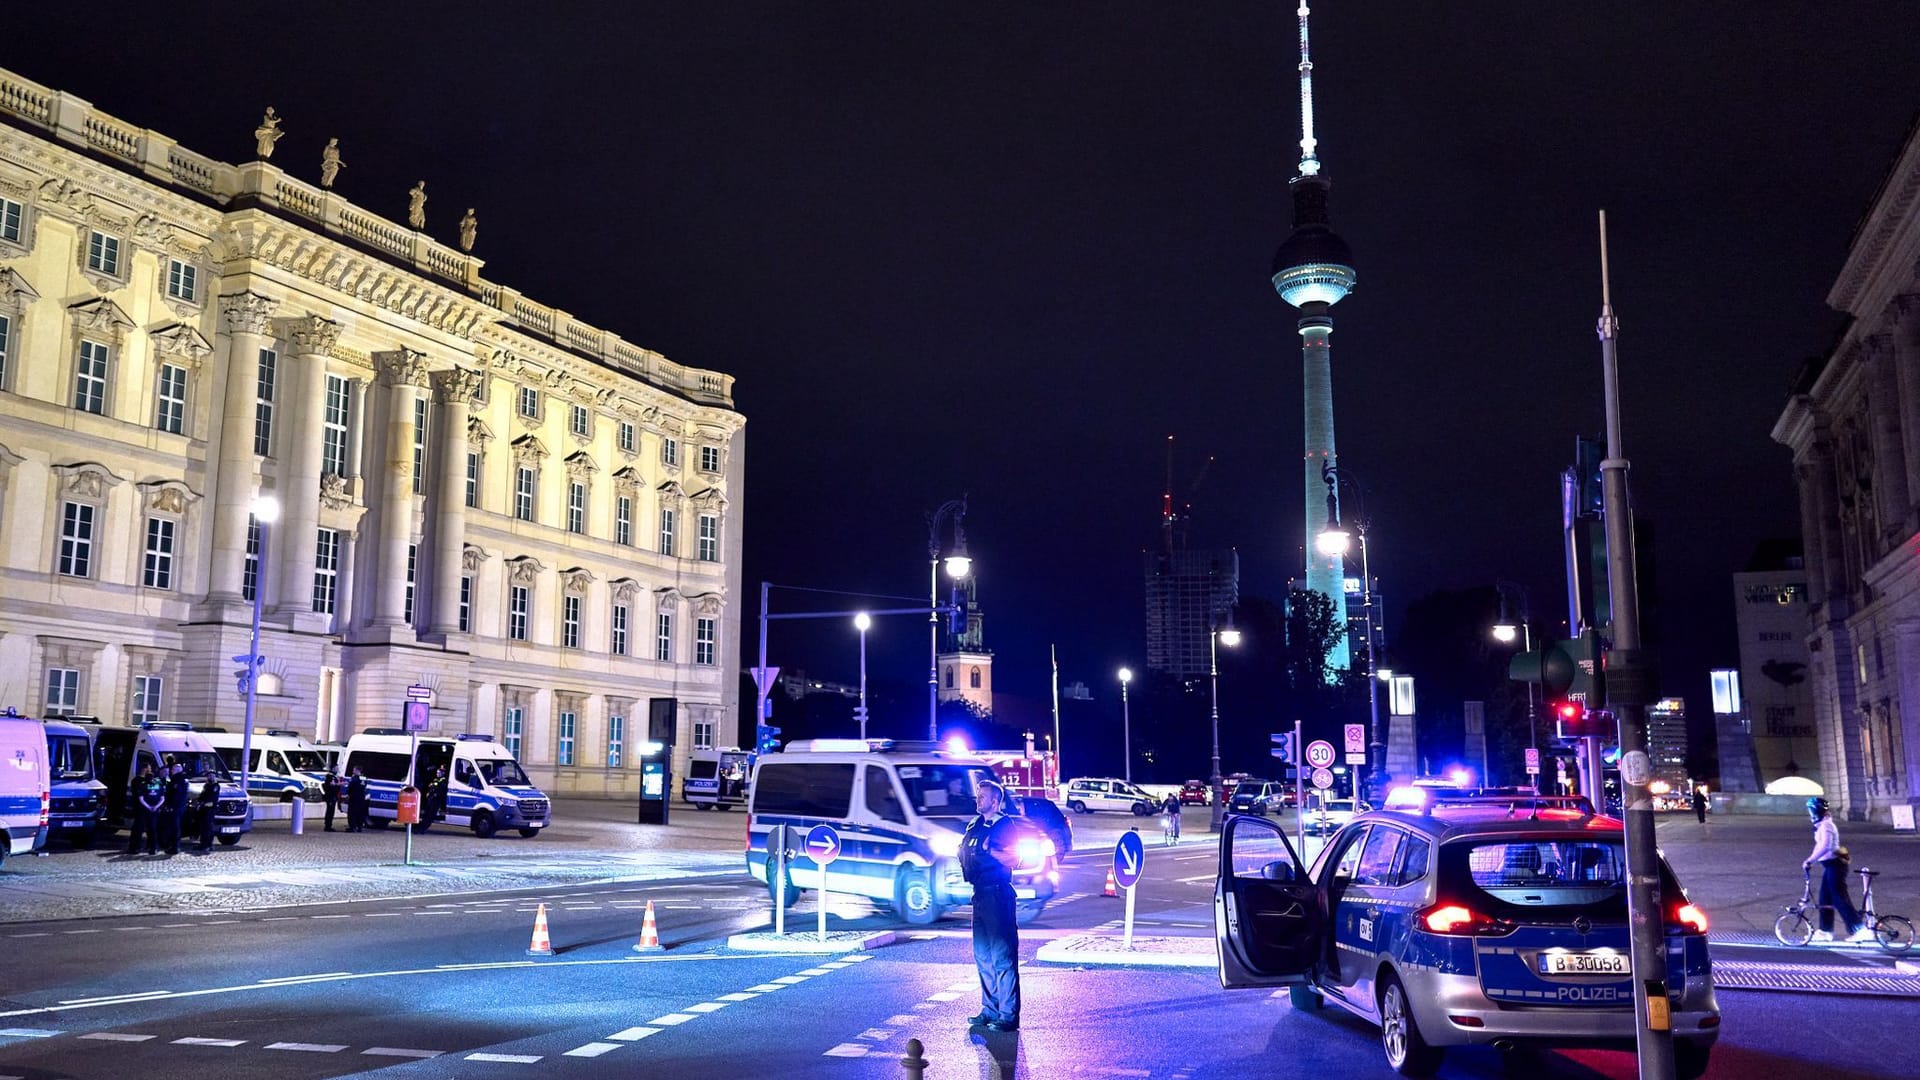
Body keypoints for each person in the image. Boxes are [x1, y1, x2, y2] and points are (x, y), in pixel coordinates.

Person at [960, 777, 1021, 1033]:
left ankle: (1008, 1015)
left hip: (998, 895)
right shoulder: (974, 825)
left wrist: (991, 851)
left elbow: (1016, 859)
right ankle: (989, 1009)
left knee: (1002, 956)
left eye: (982, 797)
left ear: (995, 801)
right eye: (977, 796)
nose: (978, 800)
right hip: (980, 895)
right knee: (982, 955)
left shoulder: (1006, 826)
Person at [1804, 797, 1871, 942]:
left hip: (1836, 865)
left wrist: (1810, 860)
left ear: (1817, 811)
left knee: (1839, 898)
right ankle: (1825, 931)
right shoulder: (1822, 825)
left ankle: (1859, 928)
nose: (1810, 813)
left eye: (1811, 810)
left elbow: (1825, 846)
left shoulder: (1827, 826)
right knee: (1825, 898)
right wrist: (1811, 860)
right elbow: (1819, 845)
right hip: (1830, 865)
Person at [127, 764, 162, 855]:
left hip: (144, 807)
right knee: (145, 829)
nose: (150, 769)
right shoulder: (139, 781)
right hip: (143, 809)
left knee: (143, 829)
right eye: (148, 768)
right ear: (144, 769)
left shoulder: (143, 782)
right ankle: (147, 847)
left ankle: (140, 847)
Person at [162, 763, 191, 855]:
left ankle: (175, 847)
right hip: (180, 806)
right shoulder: (184, 778)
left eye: (173, 769)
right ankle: (173, 846)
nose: (171, 771)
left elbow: (175, 794)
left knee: (174, 827)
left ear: (178, 770)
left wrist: (170, 806)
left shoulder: (177, 779)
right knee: (175, 826)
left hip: (176, 807)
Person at [195, 776, 219, 851]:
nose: (210, 777)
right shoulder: (206, 785)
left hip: (210, 809)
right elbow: (203, 795)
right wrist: (198, 800)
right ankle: (203, 844)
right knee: (203, 827)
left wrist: (202, 802)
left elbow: (211, 797)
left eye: (212, 775)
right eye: (209, 776)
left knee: (208, 828)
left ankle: (208, 845)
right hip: (204, 809)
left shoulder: (215, 786)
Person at [346, 767, 369, 832]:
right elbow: (365, 786)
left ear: (357, 770)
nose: (353, 771)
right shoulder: (364, 778)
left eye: (354, 770)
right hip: (361, 797)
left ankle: (352, 827)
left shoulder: (354, 778)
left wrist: (348, 793)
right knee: (360, 813)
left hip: (354, 797)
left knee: (352, 813)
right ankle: (359, 827)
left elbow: (350, 787)